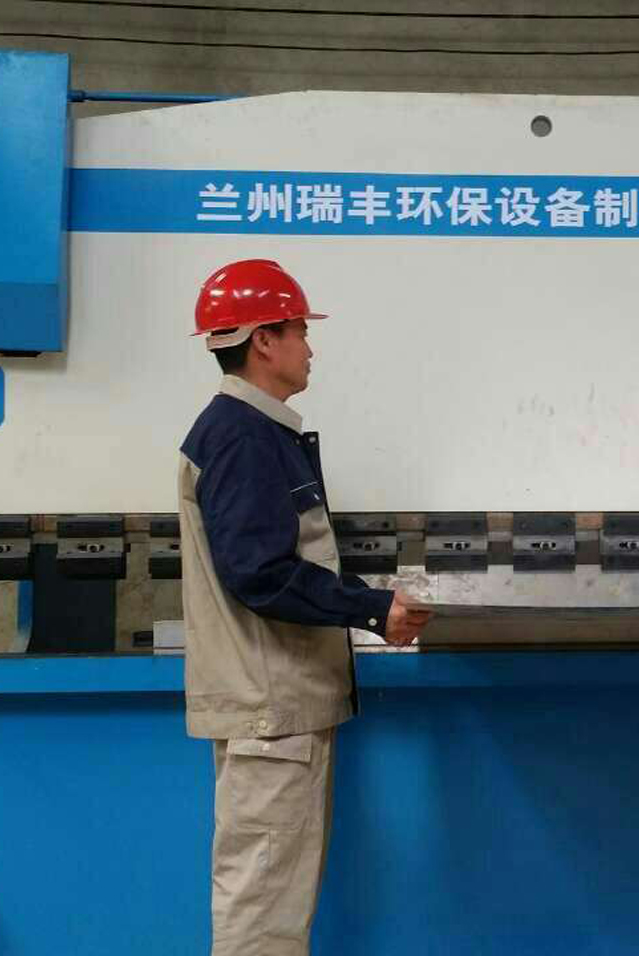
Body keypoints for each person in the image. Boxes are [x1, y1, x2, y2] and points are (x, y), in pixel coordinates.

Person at [178, 258, 432, 954]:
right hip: (270, 717)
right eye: (299, 330)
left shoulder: (253, 431)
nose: (309, 346)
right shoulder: (241, 436)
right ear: (263, 340)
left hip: (276, 712)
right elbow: (260, 573)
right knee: (262, 917)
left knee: (272, 908)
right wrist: (372, 608)